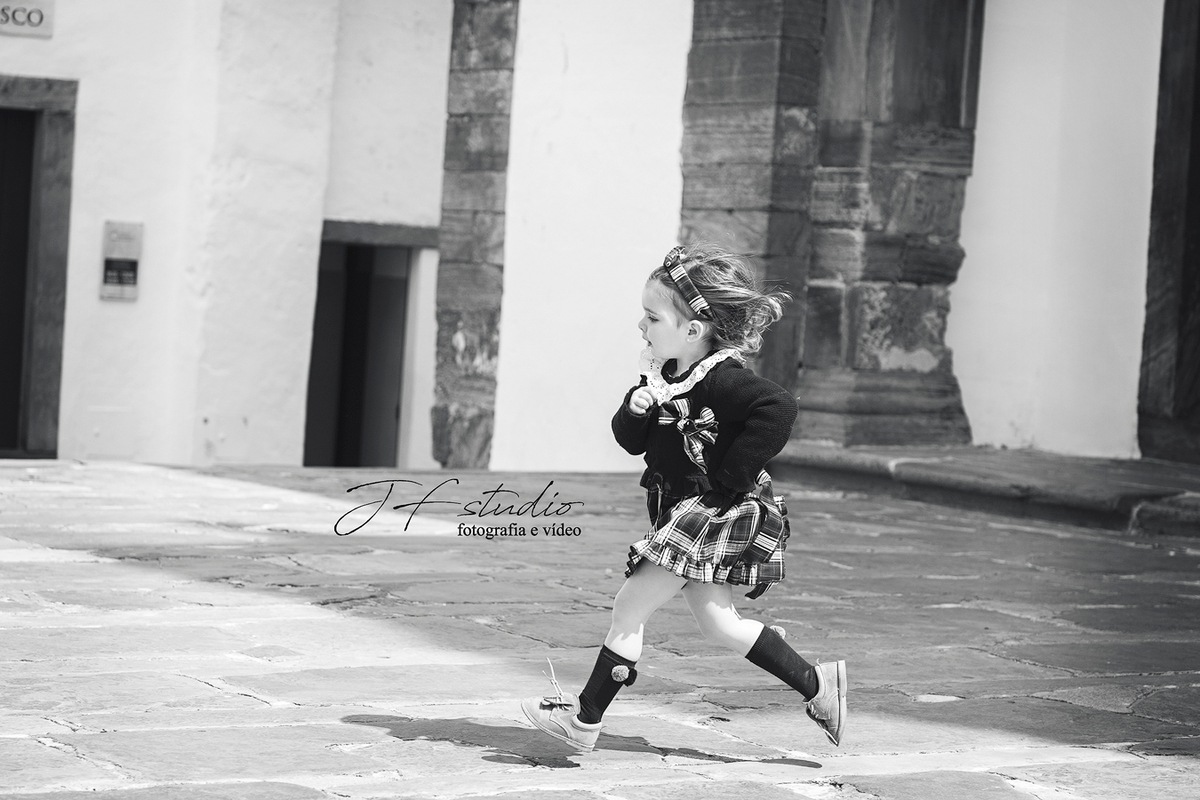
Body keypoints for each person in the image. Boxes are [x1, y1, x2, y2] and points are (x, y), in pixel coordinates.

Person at [520, 243, 847, 752]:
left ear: (693, 330)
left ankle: (583, 720)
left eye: (652, 317)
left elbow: (778, 408)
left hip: (708, 512)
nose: (641, 326)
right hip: (680, 510)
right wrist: (635, 409)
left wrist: (732, 477)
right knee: (719, 624)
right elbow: (632, 443)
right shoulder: (663, 374)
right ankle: (818, 685)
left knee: (630, 607)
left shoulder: (722, 379)